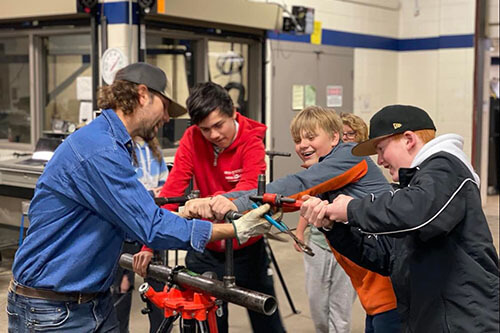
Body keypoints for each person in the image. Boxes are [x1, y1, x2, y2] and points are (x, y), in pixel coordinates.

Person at [6, 63, 274, 333]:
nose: (167, 118)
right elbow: (151, 224)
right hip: (54, 311)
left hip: (91, 301)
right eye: (165, 107)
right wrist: (233, 228)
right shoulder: (101, 150)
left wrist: (182, 213)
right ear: (143, 95)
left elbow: (133, 210)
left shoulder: (110, 142)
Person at [185, 106, 401, 333]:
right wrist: (217, 200)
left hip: (390, 287)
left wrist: (232, 203)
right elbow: (283, 199)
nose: (302, 145)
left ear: (335, 136)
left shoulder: (349, 156)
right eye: (298, 140)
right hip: (374, 293)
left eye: (311, 137)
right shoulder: (326, 171)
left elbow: (297, 185)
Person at [300, 104, 500, 332]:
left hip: (464, 322)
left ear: (408, 139)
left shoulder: (447, 168)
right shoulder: (412, 189)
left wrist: (352, 208)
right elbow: (386, 257)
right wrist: (334, 227)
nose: (381, 161)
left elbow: (419, 213)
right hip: (427, 319)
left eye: (382, 149)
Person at [133, 81, 285, 333]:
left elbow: (249, 190)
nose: (213, 135)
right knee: (205, 324)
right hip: (205, 248)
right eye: (205, 129)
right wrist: (150, 245)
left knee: (268, 322)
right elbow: (171, 192)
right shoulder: (192, 140)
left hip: (248, 248)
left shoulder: (252, 141)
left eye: (218, 125)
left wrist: (213, 202)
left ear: (233, 112)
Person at [112, 136, 169, 333]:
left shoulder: (154, 150)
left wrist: (151, 195)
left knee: (157, 290)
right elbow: (121, 193)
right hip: (124, 230)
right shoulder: (117, 148)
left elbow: (165, 188)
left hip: (152, 227)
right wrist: (150, 195)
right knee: (121, 288)